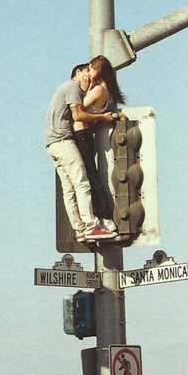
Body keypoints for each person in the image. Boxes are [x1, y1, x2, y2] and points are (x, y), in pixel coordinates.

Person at [45, 64, 118, 242]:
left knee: (69, 189)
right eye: (86, 73)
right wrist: (102, 117)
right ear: (78, 73)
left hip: (51, 144)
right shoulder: (72, 87)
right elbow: (77, 115)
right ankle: (92, 227)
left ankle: (79, 229)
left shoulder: (64, 88)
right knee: (82, 184)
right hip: (64, 142)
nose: (88, 79)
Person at [73, 55, 126, 233]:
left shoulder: (98, 91)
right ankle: (102, 215)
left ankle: (103, 215)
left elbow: (77, 110)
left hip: (81, 133)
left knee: (89, 177)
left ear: (99, 71)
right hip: (86, 134)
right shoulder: (105, 91)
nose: (89, 71)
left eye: (91, 68)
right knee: (90, 175)